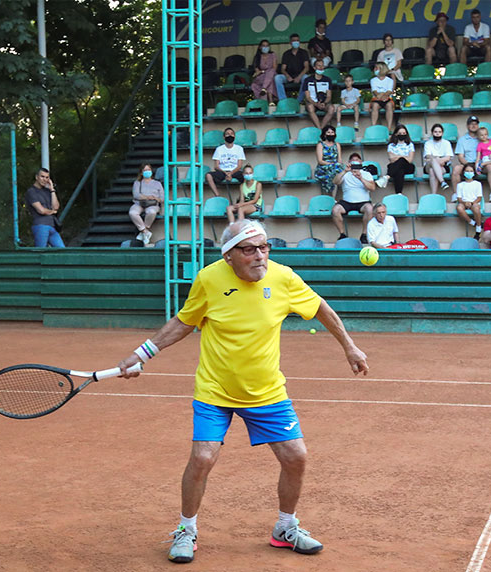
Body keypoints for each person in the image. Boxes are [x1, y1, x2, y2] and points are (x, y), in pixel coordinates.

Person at [116, 218, 368, 563]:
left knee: (296, 457)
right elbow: (183, 322)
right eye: (249, 249)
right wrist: (142, 354)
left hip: (266, 392)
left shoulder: (284, 278)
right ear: (229, 256)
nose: (260, 256)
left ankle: (285, 527)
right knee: (202, 458)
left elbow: (320, 307)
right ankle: (186, 529)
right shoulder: (209, 279)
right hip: (215, 390)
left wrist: (350, 347)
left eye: (264, 247)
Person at [332, 153, 375, 243]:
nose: (355, 161)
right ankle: (342, 234)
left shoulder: (366, 174)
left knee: (370, 209)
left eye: (357, 160)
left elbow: (372, 188)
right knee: (335, 210)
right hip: (347, 202)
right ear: (349, 162)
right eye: (353, 160)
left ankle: (364, 234)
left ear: (361, 162)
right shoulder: (345, 173)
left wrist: (361, 178)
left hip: (363, 202)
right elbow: (335, 181)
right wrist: (345, 171)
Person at [25, 167, 65, 248]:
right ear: (37, 177)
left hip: (52, 227)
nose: (44, 179)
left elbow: (56, 207)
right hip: (41, 226)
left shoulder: (47, 191)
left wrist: (52, 190)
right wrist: (52, 212)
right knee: (41, 252)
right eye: (42, 176)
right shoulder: (31, 191)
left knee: (62, 251)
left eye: (47, 177)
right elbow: (41, 210)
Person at [129, 163, 164, 245]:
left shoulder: (157, 183)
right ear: (141, 172)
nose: (147, 172)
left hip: (153, 204)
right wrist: (147, 197)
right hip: (139, 203)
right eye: (145, 170)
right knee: (132, 212)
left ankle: (143, 231)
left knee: (151, 212)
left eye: (149, 170)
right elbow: (136, 195)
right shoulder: (138, 182)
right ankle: (145, 231)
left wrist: (155, 198)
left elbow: (162, 198)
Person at [205, 128, 245, 197]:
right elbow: (216, 166)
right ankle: (217, 195)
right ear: (224, 137)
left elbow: (239, 166)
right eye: (227, 134)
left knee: (246, 175)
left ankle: (243, 196)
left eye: (232, 134)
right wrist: (225, 173)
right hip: (222, 171)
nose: (230, 135)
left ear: (234, 136)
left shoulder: (239, 148)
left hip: (235, 171)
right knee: (208, 175)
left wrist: (231, 173)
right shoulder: (219, 149)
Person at [274, 33, 310, 102]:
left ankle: (299, 101)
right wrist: (287, 76)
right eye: (294, 40)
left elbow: (306, 67)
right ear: (290, 42)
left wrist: (299, 77)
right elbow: (283, 69)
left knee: (305, 78)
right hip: (289, 76)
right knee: (277, 78)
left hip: (300, 75)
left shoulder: (304, 53)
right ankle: (283, 100)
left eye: (297, 40)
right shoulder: (286, 54)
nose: (296, 42)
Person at [451, 116, 481, 198]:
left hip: (481, 164)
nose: (474, 126)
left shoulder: (482, 138)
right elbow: (460, 157)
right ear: (467, 126)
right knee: (456, 169)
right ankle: (456, 194)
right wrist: (468, 165)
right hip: (467, 163)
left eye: (475, 124)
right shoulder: (462, 140)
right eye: (471, 124)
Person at [303, 59, 335, 129]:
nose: (321, 67)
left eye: (322, 66)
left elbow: (329, 96)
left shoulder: (328, 80)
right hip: (312, 103)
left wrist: (324, 103)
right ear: (314, 68)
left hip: (324, 103)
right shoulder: (307, 80)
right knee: (310, 107)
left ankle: (321, 128)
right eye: (319, 66)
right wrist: (316, 104)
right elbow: (308, 97)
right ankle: (319, 129)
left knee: (332, 108)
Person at [384, 124, 415, 195]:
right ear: (396, 134)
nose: (402, 135)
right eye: (400, 133)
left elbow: (410, 160)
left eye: (404, 133)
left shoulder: (410, 145)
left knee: (401, 161)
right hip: (396, 167)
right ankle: (399, 193)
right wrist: (404, 156)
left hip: (408, 166)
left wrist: (398, 156)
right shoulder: (391, 145)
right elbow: (391, 159)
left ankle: (387, 177)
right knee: (399, 170)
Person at [423, 123, 453, 194]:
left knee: (432, 171)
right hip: (429, 164)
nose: (437, 134)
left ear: (442, 133)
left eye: (439, 132)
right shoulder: (428, 143)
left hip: (444, 165)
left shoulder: (447, 143)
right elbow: (428, 156)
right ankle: (442, 181)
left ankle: (434, 194)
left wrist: (437, 160)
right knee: (432, 161)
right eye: (435, 132)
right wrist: (437, 160)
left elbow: (448, 157)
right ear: (432, 132)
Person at [314, 125, 344, 196]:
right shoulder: (320, 145)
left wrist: (336, 165)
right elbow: (320, 161)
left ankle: (335, 197)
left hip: (335, 167)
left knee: (341, 173)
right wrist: (331, 164)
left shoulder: (337, 145)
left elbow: (339, 159)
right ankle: (330, 196)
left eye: (332, 132)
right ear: (324, 134)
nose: (330, 134)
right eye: (328, 132)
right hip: (323, 167)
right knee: (332, 173)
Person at [456, 163, 483, 238]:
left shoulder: (477, 184)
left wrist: (472, 203)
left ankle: (478, 227)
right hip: (464, 202)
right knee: (459, 208)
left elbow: (479, 197)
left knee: (476, 208)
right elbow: (459, 198)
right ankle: (472, 222)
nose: (469, 172)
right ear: (464, 172)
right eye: (467, 171)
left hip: (474, 202)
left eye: (471, 171)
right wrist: (465, 203)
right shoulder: (460, 185)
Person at [475, 126, 491, 201]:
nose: (484, 136)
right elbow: (478, 157)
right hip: (485, 159)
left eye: (485, 134)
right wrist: (477, 166)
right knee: (490, 167)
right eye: (482, 135)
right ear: (479, 136)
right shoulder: (480, 145)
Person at [369, 62, 395, 130]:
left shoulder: (389, 80)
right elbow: (375, 91)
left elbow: (389, 91)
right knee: (375, 106)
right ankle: (373, 126)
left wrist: (383, 95)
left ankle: (389, 127)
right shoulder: (373, 80)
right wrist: (381, 95)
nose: (375, 69)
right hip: (377, 99)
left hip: (387, 98)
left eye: (376, 68)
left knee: (389, 106)